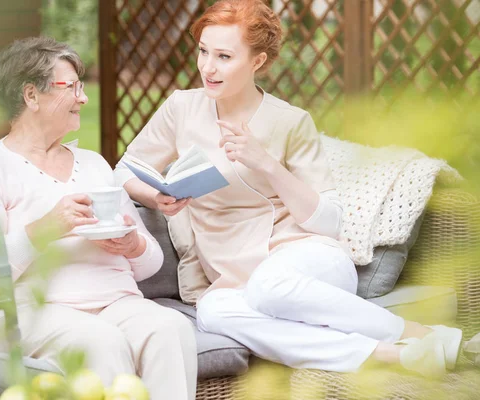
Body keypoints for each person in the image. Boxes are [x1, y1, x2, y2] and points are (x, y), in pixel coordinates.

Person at [114, 0, 461, 378]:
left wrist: (263, 162)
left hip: (308, 257)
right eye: (203, 51)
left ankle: (414, 332)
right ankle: (395, 354)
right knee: (213, 312)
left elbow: (329, 221)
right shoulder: (181, 108)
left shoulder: (291, 122)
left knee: (271, 285)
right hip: (235, 278)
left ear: (257, 62)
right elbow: (124, 170)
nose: (207, 67)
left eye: (224, 56)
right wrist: (155, 197)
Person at [0, 37, 197, 400]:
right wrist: (43, 230)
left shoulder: (93, 164)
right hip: (25, 312)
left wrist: (132, 244)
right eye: (72, 87)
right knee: (99, 342)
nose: (84, 97)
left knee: (170, 328)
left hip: (115, 302)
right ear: (31, 96)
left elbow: (149, 263)